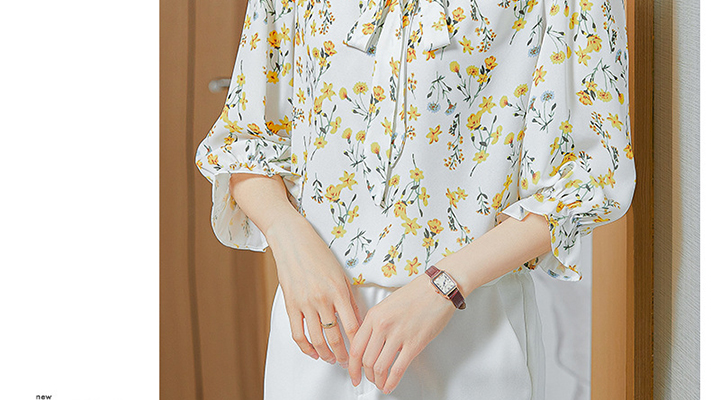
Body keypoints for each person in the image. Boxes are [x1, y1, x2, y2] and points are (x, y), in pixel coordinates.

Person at [195, 0, 636, 398]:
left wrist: (445, 285)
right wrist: (288, 239)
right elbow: (244, 139)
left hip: (468, 331)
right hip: (316, 328)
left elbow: (595, 173)